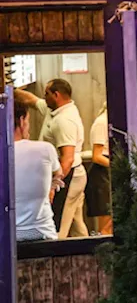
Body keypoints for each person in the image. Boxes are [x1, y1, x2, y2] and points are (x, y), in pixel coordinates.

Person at [41, 79, 86, 238]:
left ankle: (55, 259)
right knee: (76, 224)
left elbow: (67, 159)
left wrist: (53, 186)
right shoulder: (58, 109)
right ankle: (92, 257)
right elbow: (31, 101)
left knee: (59, 226)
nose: (43, 97)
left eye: (46, 93)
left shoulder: (64, 120)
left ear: (56, 95)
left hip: (68, 175)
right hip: (74, 174)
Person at [13, 92, 59, 242]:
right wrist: (52, 184)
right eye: (28, 120)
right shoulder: (45, 149)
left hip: (7, 236)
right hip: (43, 233)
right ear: (21, 120)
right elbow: (58, 173)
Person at [85, 107, 111, 235]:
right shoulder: (102, 122)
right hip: (101, 175)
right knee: (106, 225)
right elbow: (97, 156)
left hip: (109, 173)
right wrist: (118, 165)